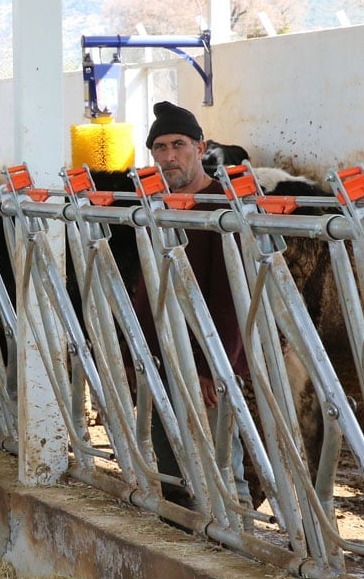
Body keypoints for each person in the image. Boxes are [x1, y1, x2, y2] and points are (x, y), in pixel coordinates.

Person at [130, 100, 249, 511]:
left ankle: (240, 545)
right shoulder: (155, 207)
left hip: (208, 361)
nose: (168, 156)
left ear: (200, 148)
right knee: (172, 470)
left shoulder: (223, 206)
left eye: (178, 144)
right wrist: (137, 354)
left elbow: (233, 296)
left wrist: (211, 367)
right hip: (164, 357)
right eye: (159, 147)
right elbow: (148, 287)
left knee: (222, 470)